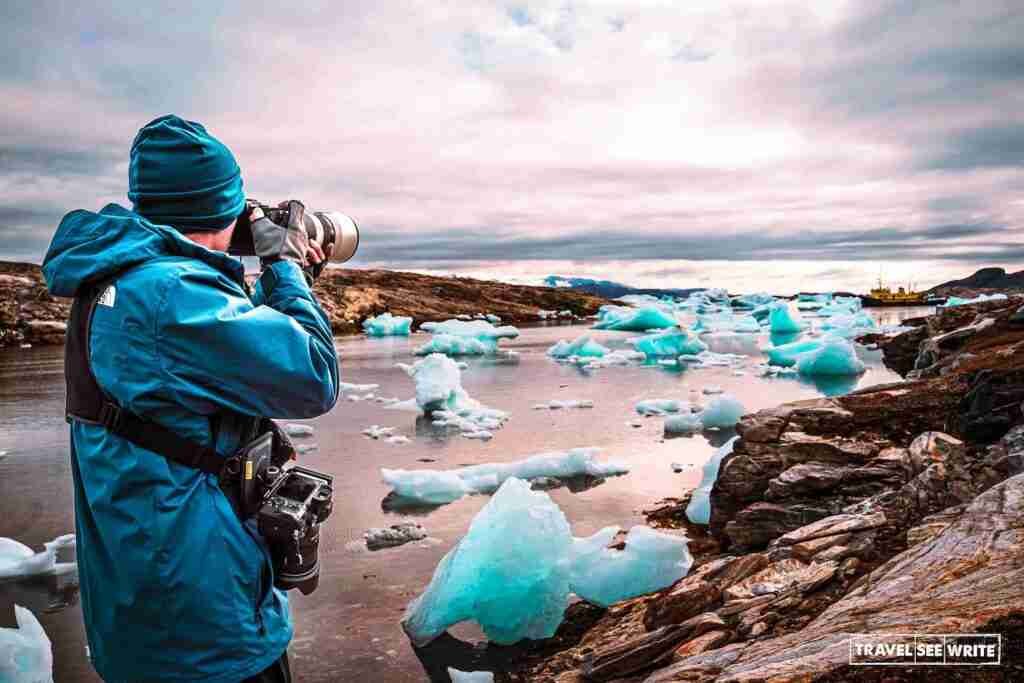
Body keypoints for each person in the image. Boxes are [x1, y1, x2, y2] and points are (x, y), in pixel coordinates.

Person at [42, 115, 340, 682]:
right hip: (205, 629)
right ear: (220, 207)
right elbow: (314, 374)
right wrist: (284, 264)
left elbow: (220, 359)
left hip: (147, 610)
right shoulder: (170, 295)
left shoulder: (120, 279)